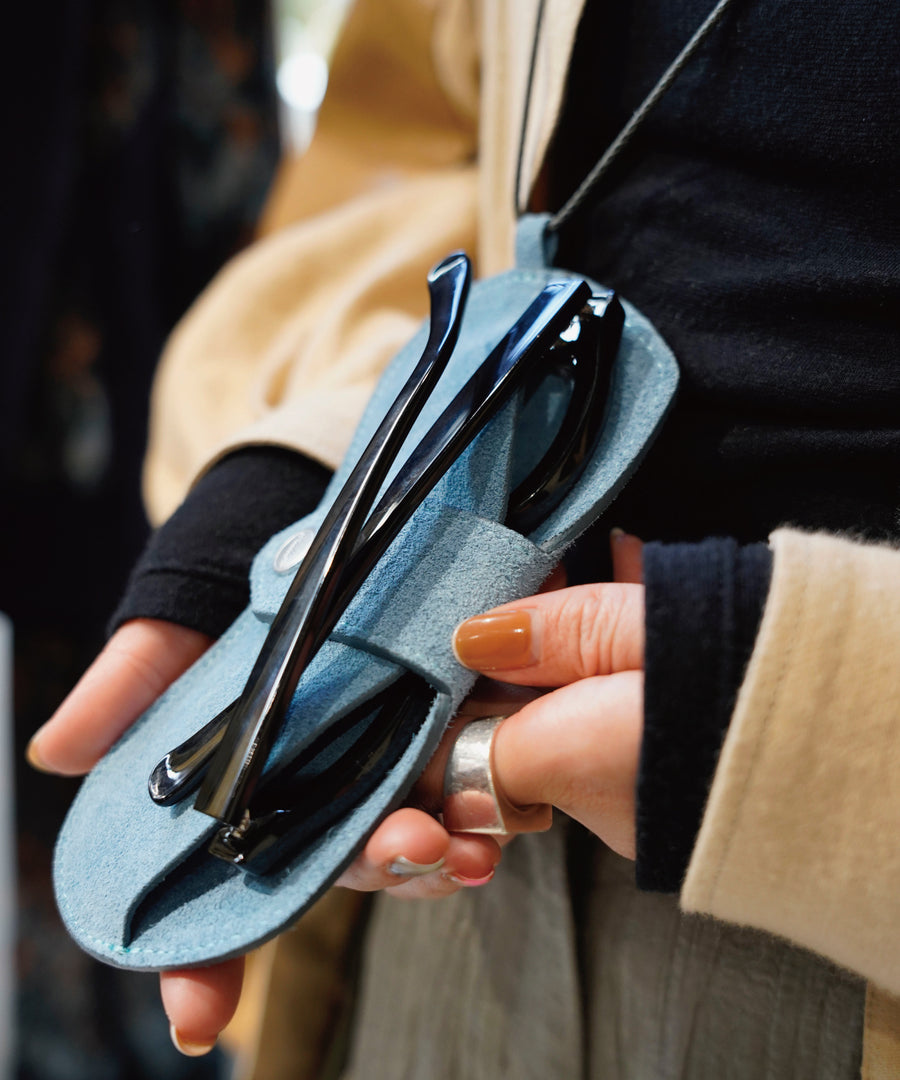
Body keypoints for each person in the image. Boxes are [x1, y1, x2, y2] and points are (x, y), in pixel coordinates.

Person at [28, 0, 900, 1075]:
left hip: (850, 924)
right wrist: (313, 467)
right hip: (441, 877)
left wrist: (837, 719)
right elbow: (424, 131)